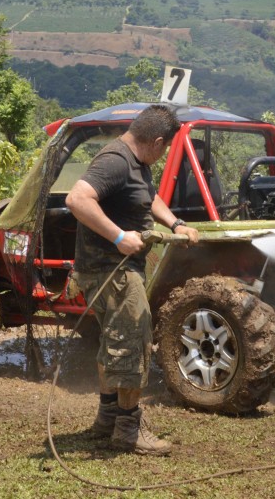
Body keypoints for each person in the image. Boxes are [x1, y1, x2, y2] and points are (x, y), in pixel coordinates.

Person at [65, 104, 199, 456]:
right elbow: (77, 199)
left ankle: (107, 419)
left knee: (114, 341)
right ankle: (128, 430)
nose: (164, 154)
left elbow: (147, 197)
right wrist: (119, 237)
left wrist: (176, 224)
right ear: (156, 142)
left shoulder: (136, 163)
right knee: (132, 344)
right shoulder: (115, 161)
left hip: (116, 271)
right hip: (113, 272)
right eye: (165, 148)